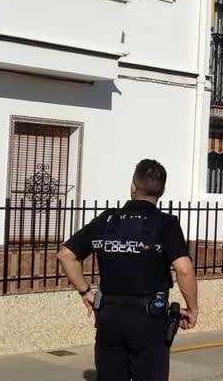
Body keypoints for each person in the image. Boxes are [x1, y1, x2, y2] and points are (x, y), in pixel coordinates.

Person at [57, 160, 198, 381]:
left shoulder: (108, 220)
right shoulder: (165, 224)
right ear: (162, 191)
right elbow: (184, 269)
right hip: (148, 320)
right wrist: (192, 308)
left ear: (133, 186)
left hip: (109, 319)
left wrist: (85, 292)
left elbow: (65, 255)